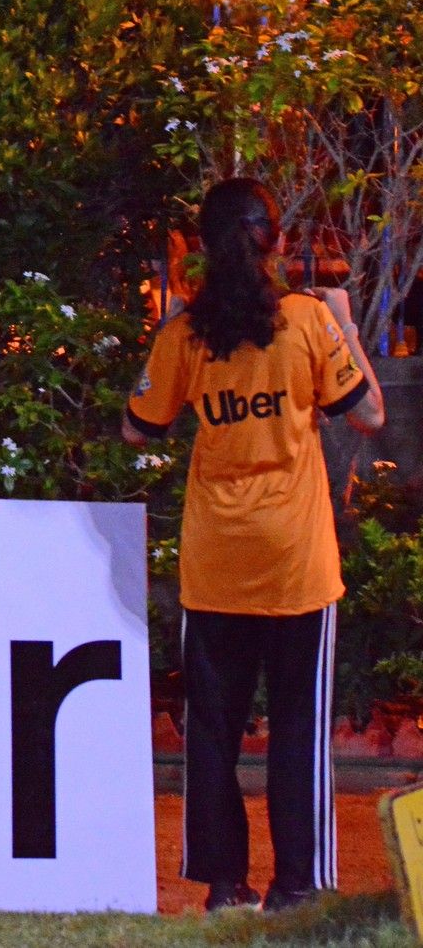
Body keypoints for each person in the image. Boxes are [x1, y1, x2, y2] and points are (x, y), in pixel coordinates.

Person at [122, 177, 384, 913]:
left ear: (203, 246)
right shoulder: (307, 319)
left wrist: (168, 343)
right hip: (296, 559)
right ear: (278, 241)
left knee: (213, 729)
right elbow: (368, 411)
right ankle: (296, 886)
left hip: (217, 558)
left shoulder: (185, 333)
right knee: (300, 726)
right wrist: (346, 323)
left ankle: (223, 886)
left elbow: (137, 427)